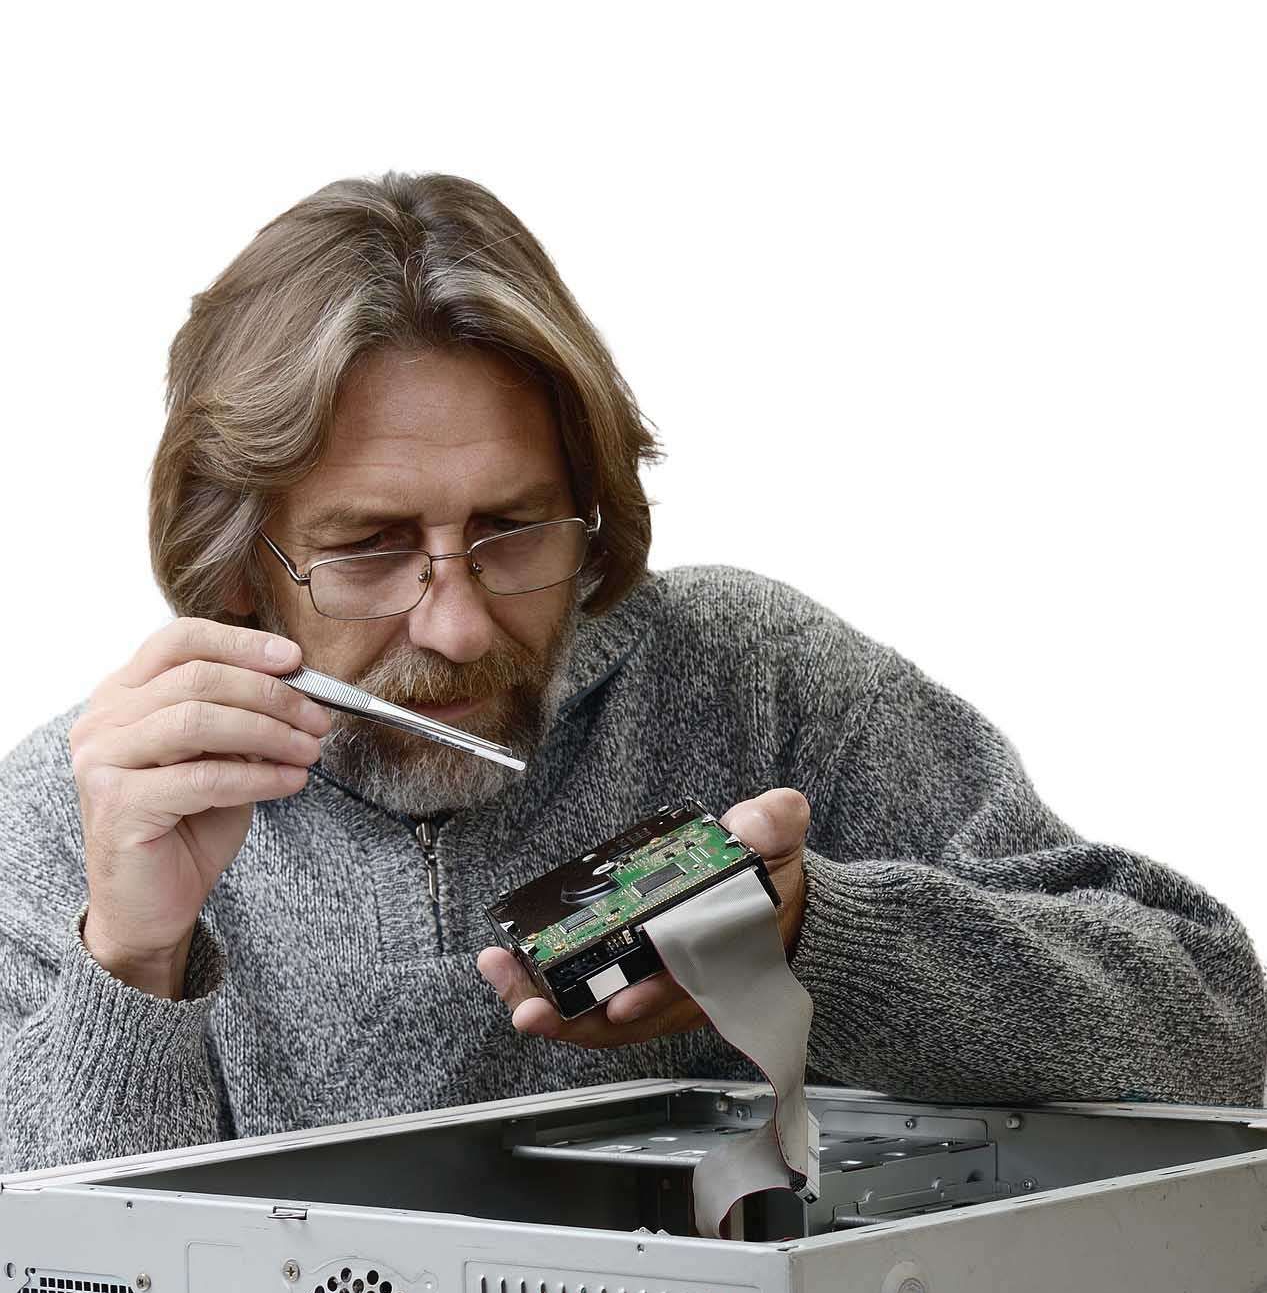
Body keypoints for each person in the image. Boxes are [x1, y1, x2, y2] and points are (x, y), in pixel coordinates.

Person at [0, 171, 1262, 1176]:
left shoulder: (754, 681)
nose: (452, 625)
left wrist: (821, 938)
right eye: (371, 547)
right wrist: (132, 963)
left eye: (514, 530)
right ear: (238, 567)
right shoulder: (80, 818)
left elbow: (1217, 1029)